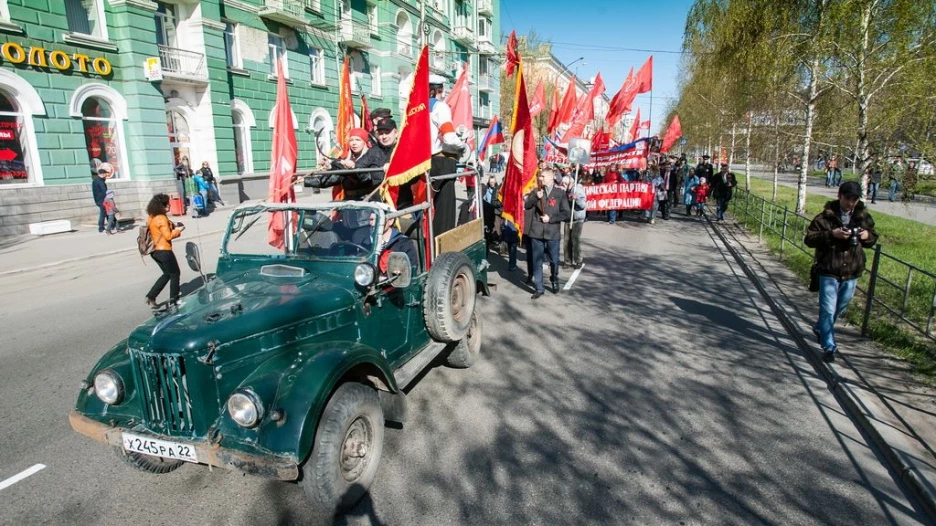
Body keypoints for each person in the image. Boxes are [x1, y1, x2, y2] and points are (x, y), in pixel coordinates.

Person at [804, 181, 878, 362]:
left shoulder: (863, 217)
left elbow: (873, 237)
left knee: (840, 306)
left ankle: (821, 327)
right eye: (848, 198)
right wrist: (832, 234)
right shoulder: (824, 217)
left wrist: (867, 236)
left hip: (852, 270)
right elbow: (809, 239)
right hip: (828, 269)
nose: (851, 203)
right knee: (828, 308)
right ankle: (829, 346)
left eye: (854, 199)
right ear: (839, 196)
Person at [305, 119, 397, 200]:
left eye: (358, 140)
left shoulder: (373, 154)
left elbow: (368, 178)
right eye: (351, 140)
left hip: (367, 202)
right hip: (348, 201)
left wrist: (352, 168)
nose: (354, 143)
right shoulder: (346, 159)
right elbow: (333, 179)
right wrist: (305, 179)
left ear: (365, 142)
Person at [524, 168, 571, 299]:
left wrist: (551, 219)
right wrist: (535, 197)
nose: (540, 179)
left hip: (552, 233)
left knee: (554, 261)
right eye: (540, 176)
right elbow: (527, 205)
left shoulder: (560, 193)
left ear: (551, 177)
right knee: (537, 261)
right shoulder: (536, 191)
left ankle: (554, 278)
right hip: (537, 232)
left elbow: (566, 213)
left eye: (543, 176)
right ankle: (539, 288)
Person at [144, 193, 185, 308]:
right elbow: (168, 236)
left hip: (154, 251)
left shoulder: (152, 216)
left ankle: (151, 296)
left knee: (167, 274)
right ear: (162, 206)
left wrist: (172, 225)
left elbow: (157, 229)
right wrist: (179, 230)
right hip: (164, 251)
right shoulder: (161, 218)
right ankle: (174, 300)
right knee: (175, 274)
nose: (170, 207)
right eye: (168, 205)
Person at [563, 174, 586, 269]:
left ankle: (578, 261)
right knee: (566, 240)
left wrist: (576, 199)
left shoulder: (578, 190)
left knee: (575, 240)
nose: (563, 185)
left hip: (577, 219)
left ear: (570, 183)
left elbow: (583, 205)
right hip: (569, 218)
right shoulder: (566, 191)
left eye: (565, 183)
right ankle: (567, 261)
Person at [91, 163, 111, 233]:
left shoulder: (95, 181)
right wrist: (108, 198)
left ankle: (110, 225)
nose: (106, 175)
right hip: (103, 200)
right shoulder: (101, 181)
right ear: (102, 174)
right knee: (104, 213)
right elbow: (104, 191)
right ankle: (101, 228)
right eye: (105, 173)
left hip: (98, 200)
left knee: (106, 212)